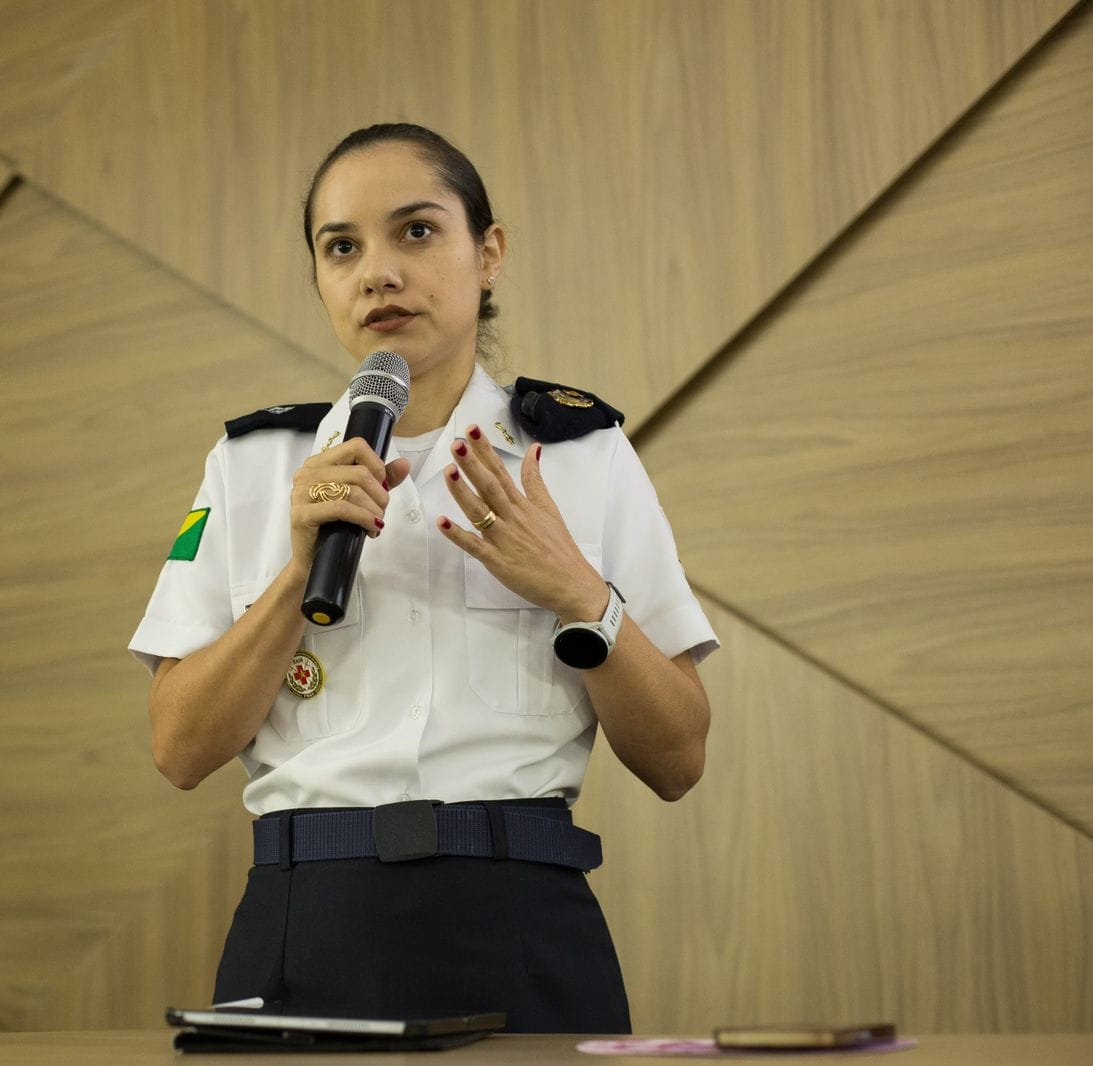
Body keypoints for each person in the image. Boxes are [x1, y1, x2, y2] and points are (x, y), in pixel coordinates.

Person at [129, 123, 717, 1033]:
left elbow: (678, 760)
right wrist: (296, 575)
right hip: (304, 921)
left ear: (489, 254)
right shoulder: (252, 466)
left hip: (521, 918)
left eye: (416, 231)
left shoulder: (582, 457)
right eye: (341, 248)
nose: (378, 273)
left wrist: (579, 595)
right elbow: (179, 750)